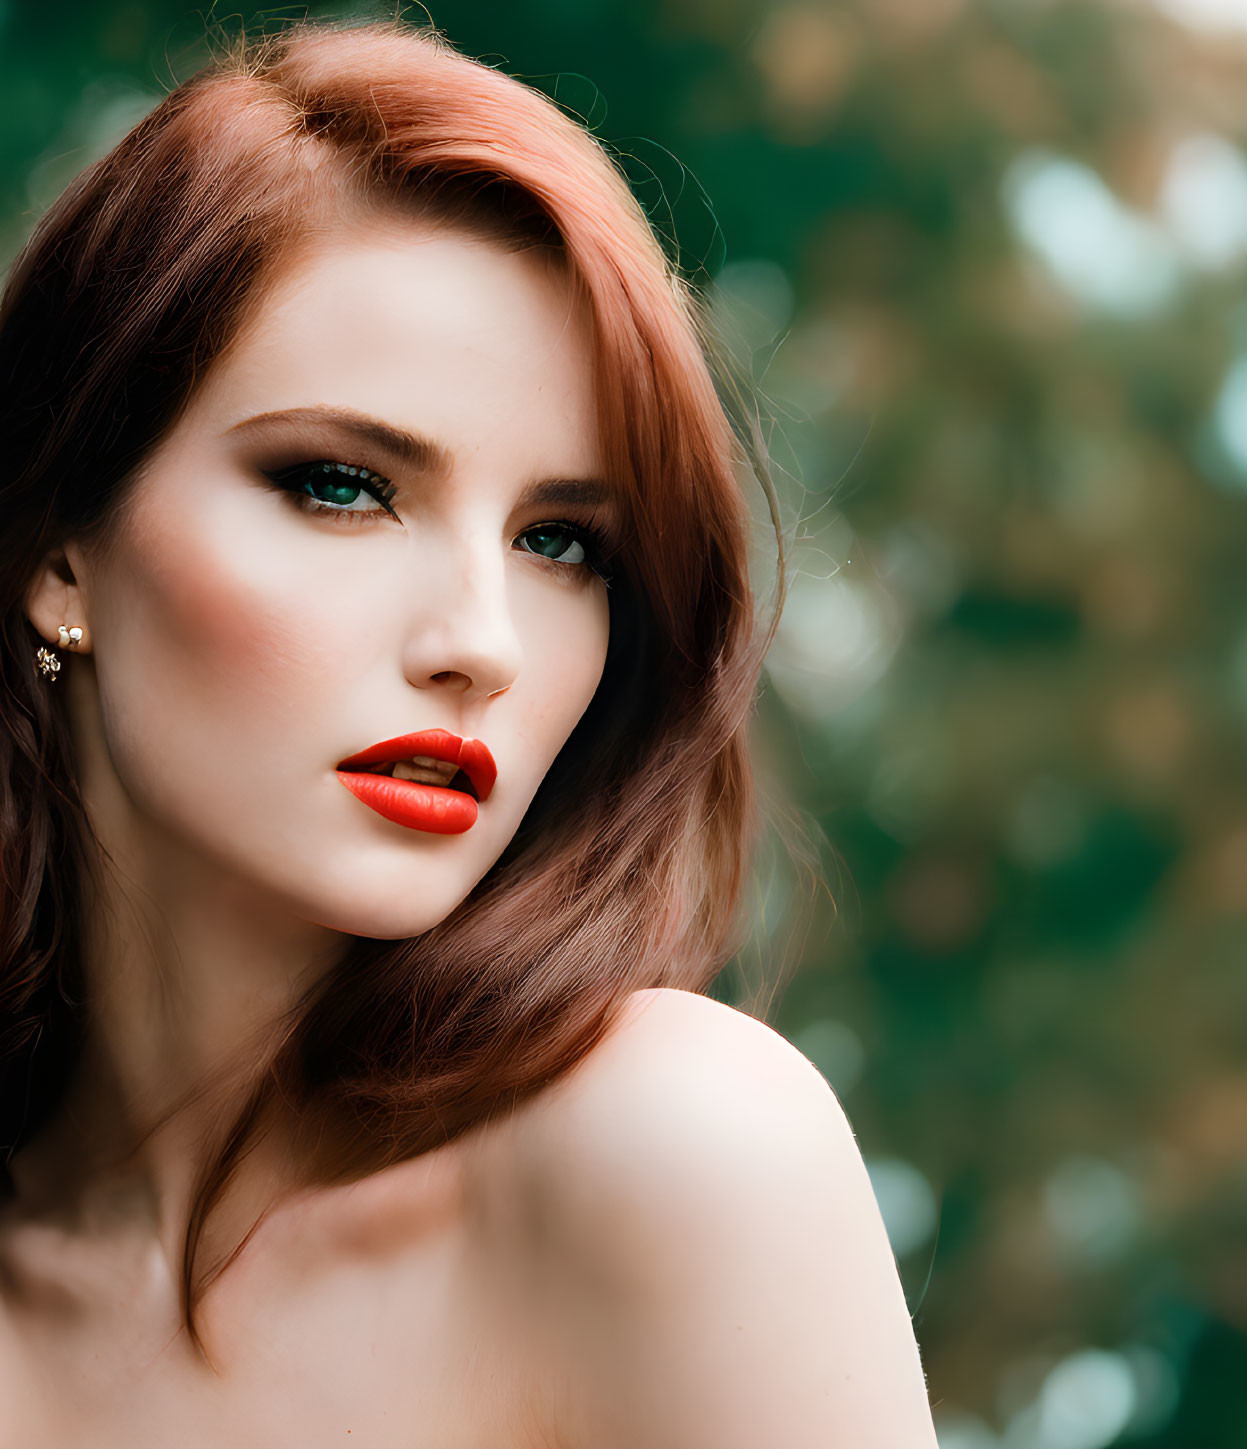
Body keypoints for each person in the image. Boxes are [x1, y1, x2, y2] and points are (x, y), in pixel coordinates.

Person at [0, 16, 937, 1446]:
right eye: (341, 485)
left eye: (562, 541)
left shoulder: (675, 1157)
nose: (481, 644)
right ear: (60, 550)